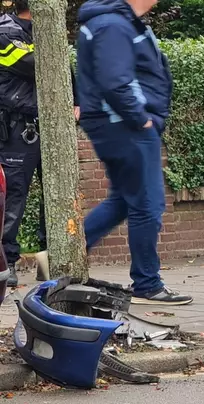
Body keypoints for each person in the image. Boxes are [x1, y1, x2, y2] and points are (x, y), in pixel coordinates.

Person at [70, 0, 192, 305]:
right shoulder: (112, 24)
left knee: (124, 200)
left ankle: (64, 251)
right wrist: (141, 118)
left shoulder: (117, 22)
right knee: (148, 205)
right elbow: (115, 80)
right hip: (126, 126)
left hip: (119, 124)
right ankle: (147, 283)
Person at [0, 0, 79, 287]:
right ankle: (5, 264)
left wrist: (77, 102)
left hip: (48, 126)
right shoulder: (5, 33)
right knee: (13, 196)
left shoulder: (44, 32)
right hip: (18, 129)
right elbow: (42, 65)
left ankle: (50, 263)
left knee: (56, 195)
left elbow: (63, 69)